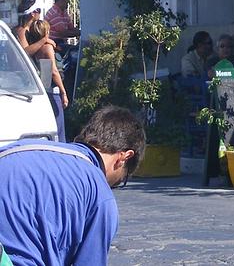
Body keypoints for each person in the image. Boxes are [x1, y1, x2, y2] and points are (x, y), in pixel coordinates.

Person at [0, 105, 145, 266]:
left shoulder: (24, 148)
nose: (112, 186)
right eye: (119, 182)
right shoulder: (100, 194)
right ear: (124, 157)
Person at [25, 19, 68, 109]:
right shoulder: (47, 48)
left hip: (44, 88)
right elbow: (53, 72)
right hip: (53, 91)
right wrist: (63, 92)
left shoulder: (36, 49)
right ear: (46, 32)